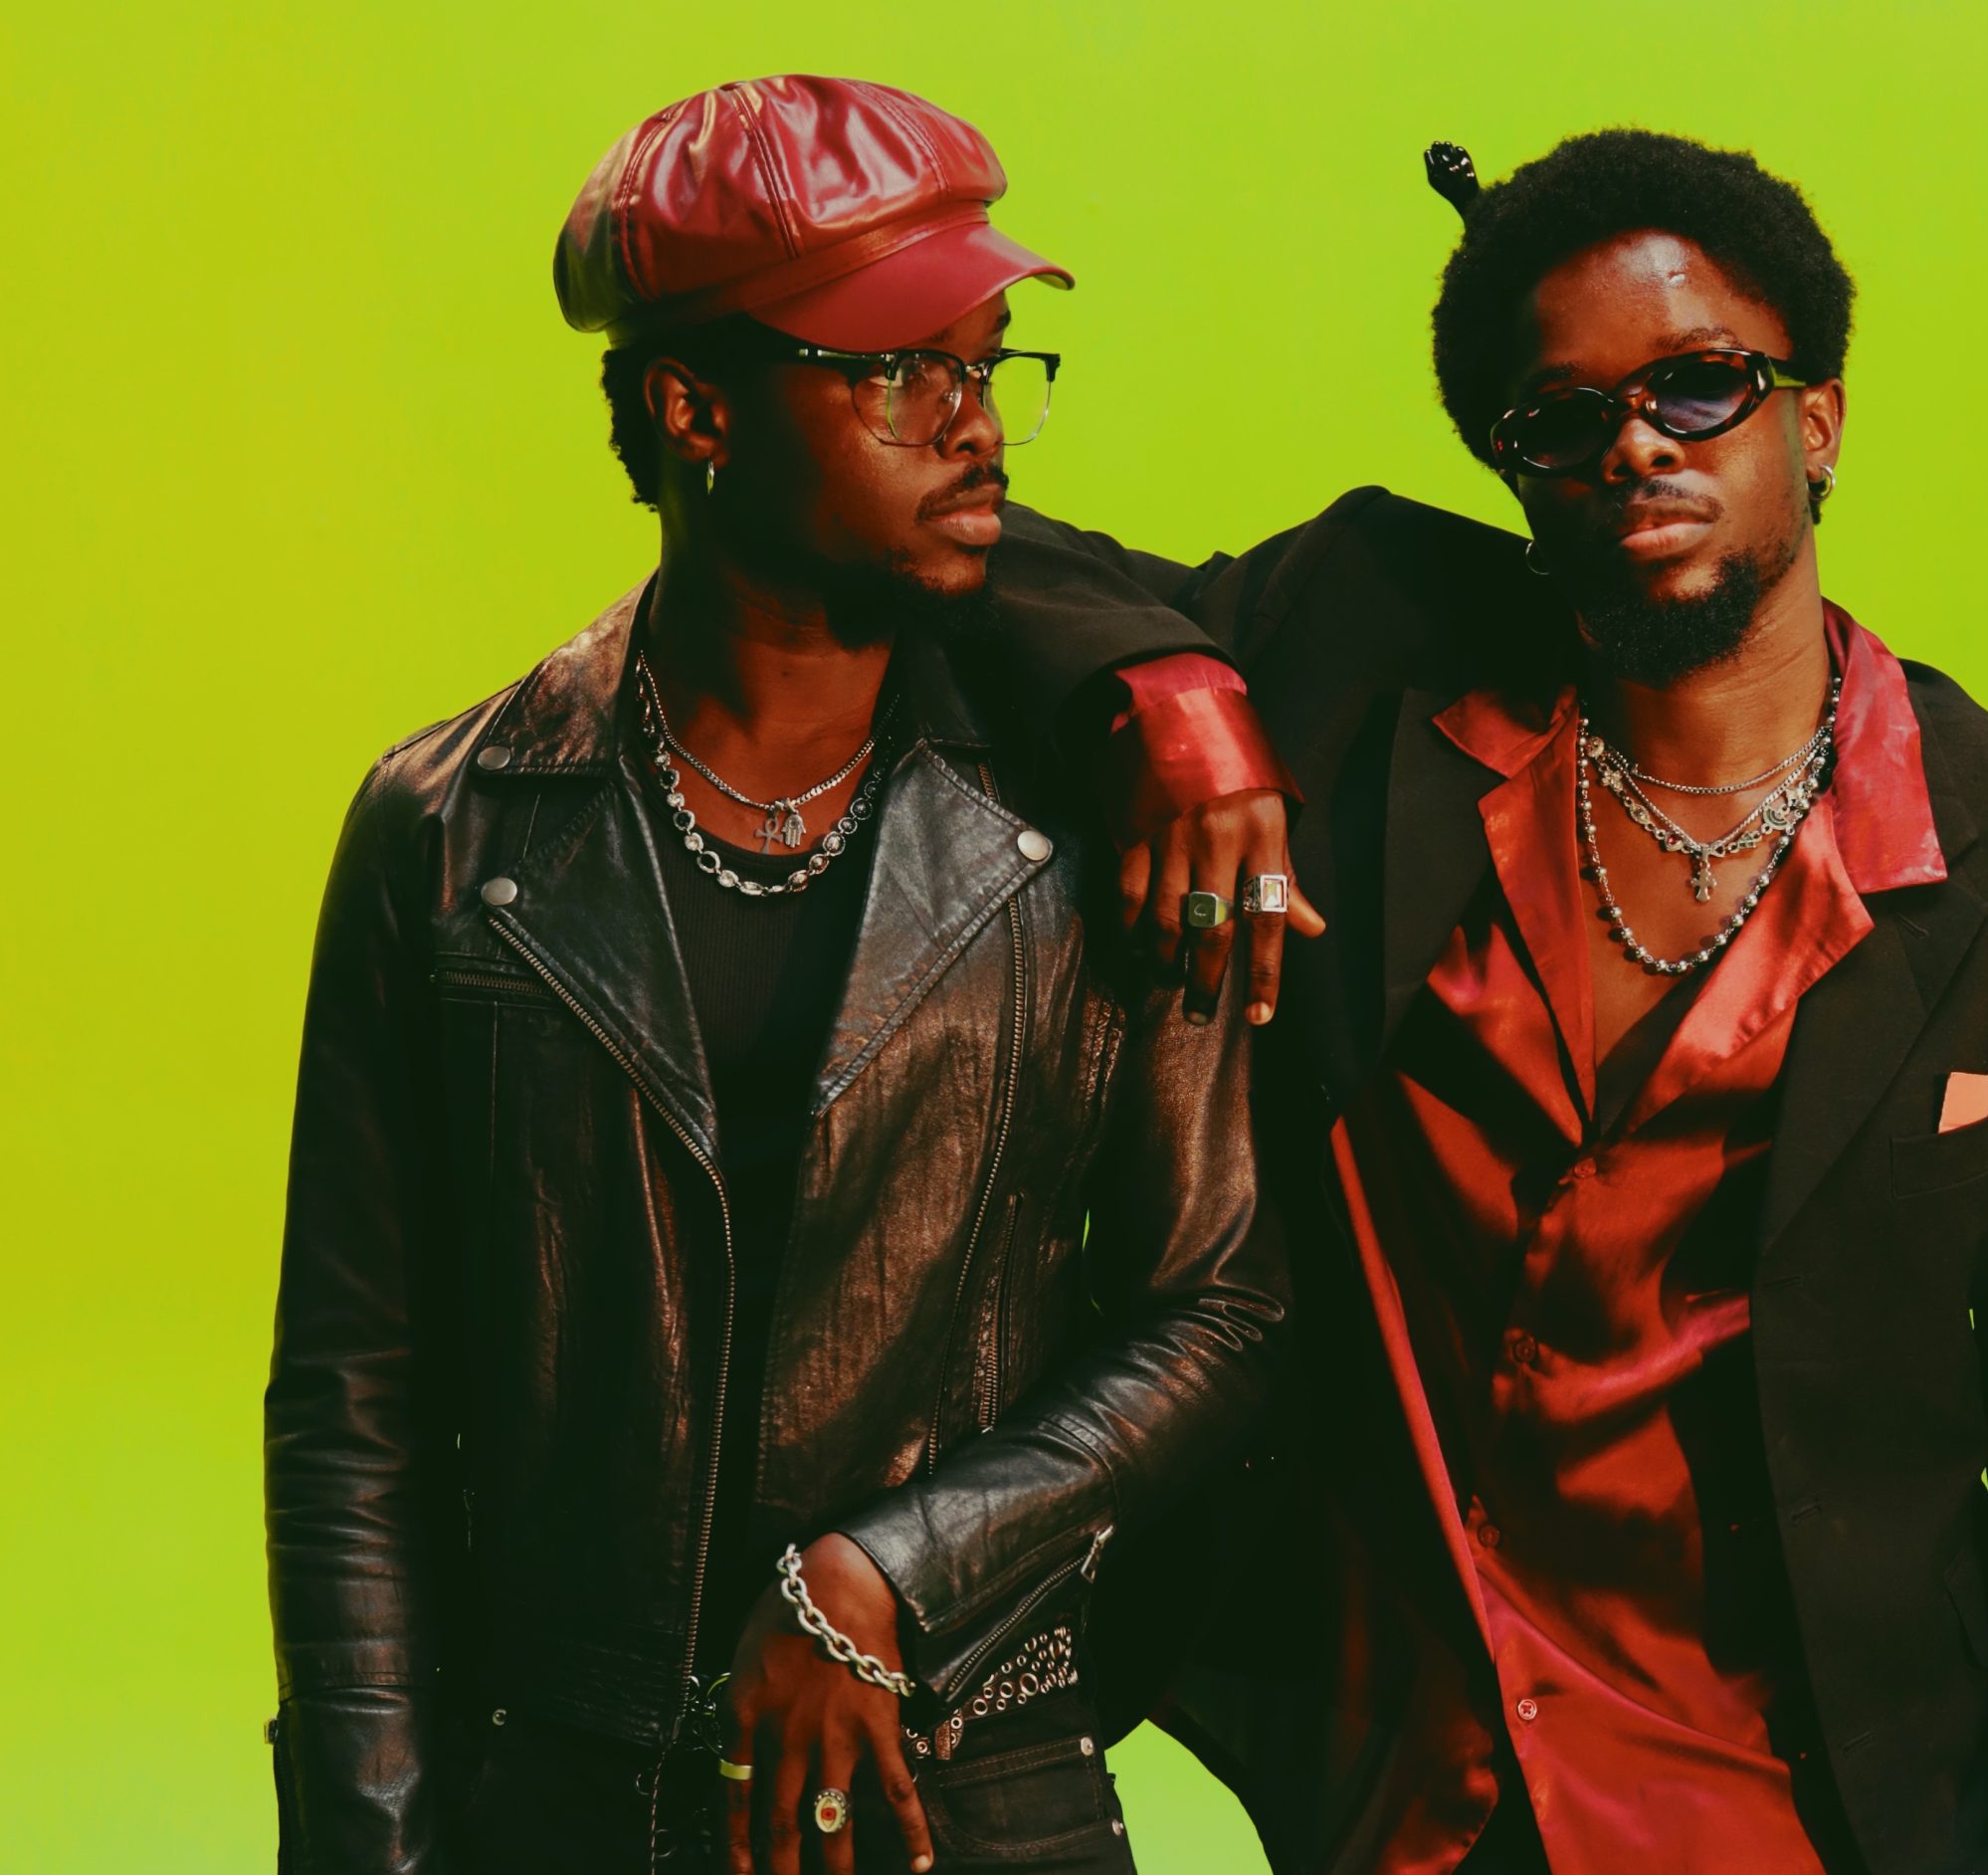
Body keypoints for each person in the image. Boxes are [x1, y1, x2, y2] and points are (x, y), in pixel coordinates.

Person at [993, 129, 1988, 1875]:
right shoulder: (1362, 644)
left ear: (1818, 421)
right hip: (1400, 1779)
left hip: (1800, 1798)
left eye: (1701, 385)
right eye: (1563, 419)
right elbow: (965, 545)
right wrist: (1168, 687)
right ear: (1516, 468)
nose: (1637, 443)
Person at [262, 76, 1286, 1875]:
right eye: (903, 373)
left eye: (988, 368)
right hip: (561, 1806)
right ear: (693, 408)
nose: (976, 426)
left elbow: (1221, 1305)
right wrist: (366, 1839)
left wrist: (895, 1572)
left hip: (973, 1790)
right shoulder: (447, 826)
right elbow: (359, 1406)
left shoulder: (1094, 812)